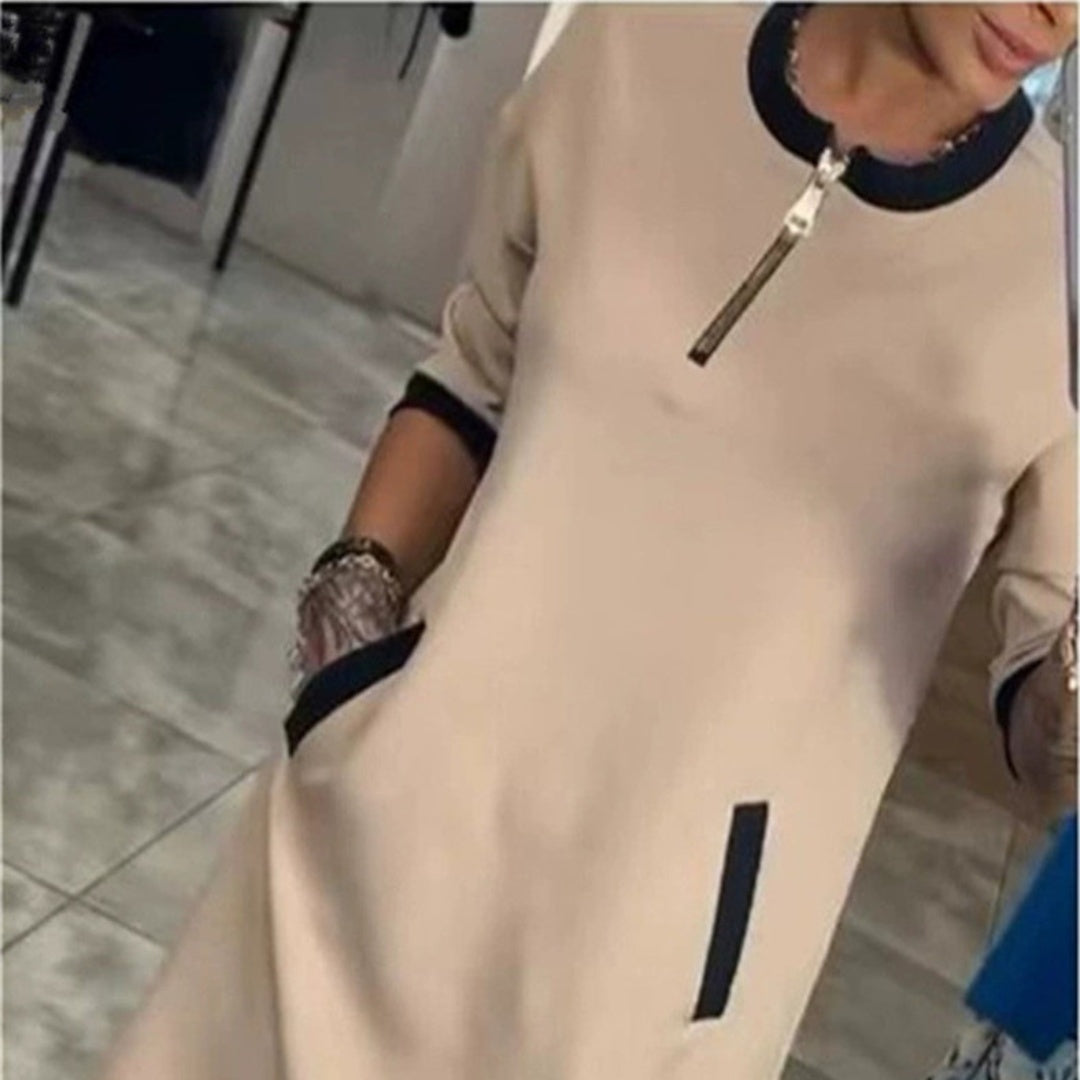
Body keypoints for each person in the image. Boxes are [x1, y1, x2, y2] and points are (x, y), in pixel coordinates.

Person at [99, 5, 1078, 1079]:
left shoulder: (1050, 275)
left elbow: (1047, 741)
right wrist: (344, 657)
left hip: (649, 1004)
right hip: (358, 871)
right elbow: (476, 364)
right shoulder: (642, 38)